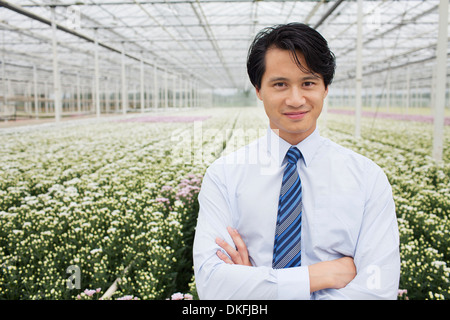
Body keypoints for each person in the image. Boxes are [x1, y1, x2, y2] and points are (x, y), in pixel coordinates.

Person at [193, 22, 400, 300]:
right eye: (280, 84)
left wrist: (254, 287)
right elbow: (212, 286)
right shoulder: (224, 175)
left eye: (308, 83)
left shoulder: (367, 178)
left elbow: (377, 289)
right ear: (258, 89)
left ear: (325, 88)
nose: (295, 99)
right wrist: (322, 275)